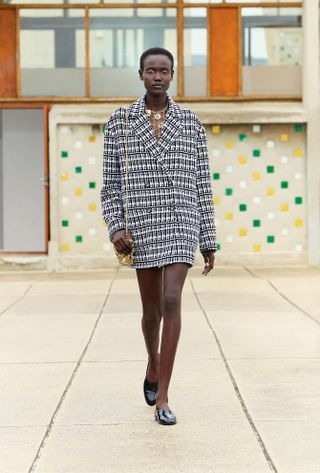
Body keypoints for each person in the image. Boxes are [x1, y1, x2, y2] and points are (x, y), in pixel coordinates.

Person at [101, 47, 217, 425]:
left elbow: (202, 181)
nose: (157, 76)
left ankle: (164, 395)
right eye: (150, 70)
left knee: (171, 300)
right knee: (151, 312)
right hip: (142, 224)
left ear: (172, 75)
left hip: (182, 220)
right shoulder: (120, 121)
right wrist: (116, 225)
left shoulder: (191, 122)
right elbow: (111, 182)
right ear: (140, 74)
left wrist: (208, 238)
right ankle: (153, 361)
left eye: (164, 71)